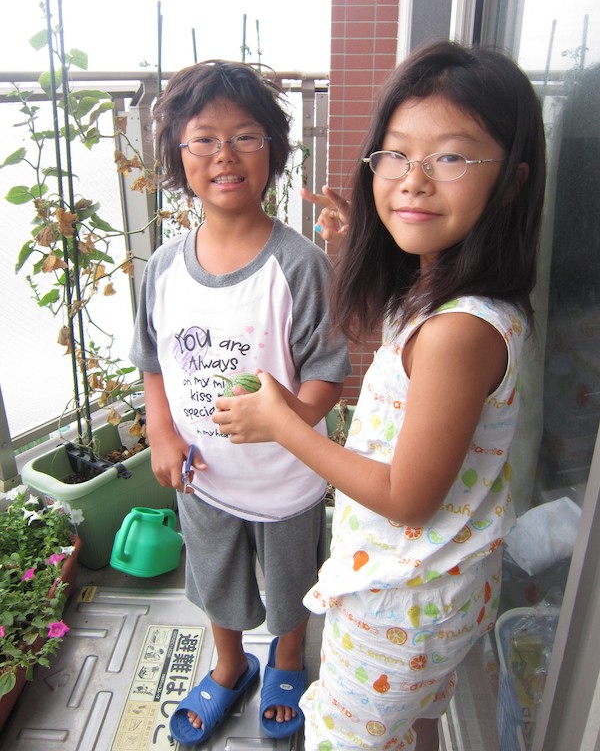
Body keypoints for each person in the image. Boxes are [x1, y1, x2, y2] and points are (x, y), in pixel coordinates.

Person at [212, 40, 546, 751]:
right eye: (395, 155)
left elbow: (406, 497)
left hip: (401, 603)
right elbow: (403, 346)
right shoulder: (451, 292)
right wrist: (355, 234)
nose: (413, 182)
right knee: (410, 726)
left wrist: (283, 424)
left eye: (451, 157)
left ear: (513, 181)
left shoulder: (458, 332)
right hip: (439, 588)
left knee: (343, 737)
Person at [129, 60, 351, 746]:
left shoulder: (299, 264)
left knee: (292, 584)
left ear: (273, 151)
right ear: (178, 156)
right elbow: (153, 363)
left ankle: (287, 658)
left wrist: (290, 419)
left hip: (286, 481)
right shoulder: (164, 268)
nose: (225, 154)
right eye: (204, 138)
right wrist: (161, 434)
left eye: (246, 136)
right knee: (215, 580)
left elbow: (328, 374)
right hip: (202, 477)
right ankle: (229, 666)